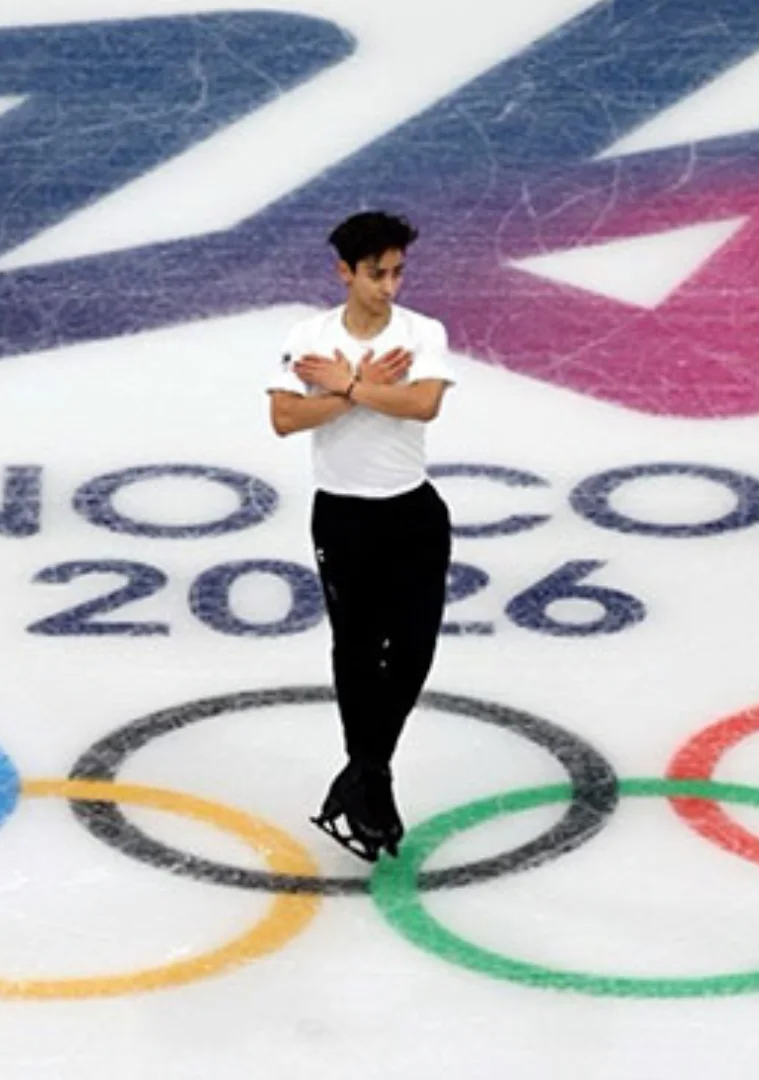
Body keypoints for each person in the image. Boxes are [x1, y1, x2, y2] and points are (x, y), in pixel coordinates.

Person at [265, 210, 454, 862]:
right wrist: (365, 391)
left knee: (414, 650)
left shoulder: (422, 332)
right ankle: (372, 780)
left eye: (398, 272)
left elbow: (423, 403)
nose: (390, 286)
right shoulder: (309, 334)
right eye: (377, 274)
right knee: (356, 648)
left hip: (413, 513)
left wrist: (345, 385)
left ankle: (363, 772)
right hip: (343, 516)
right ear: (345, 272)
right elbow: (286, 417)